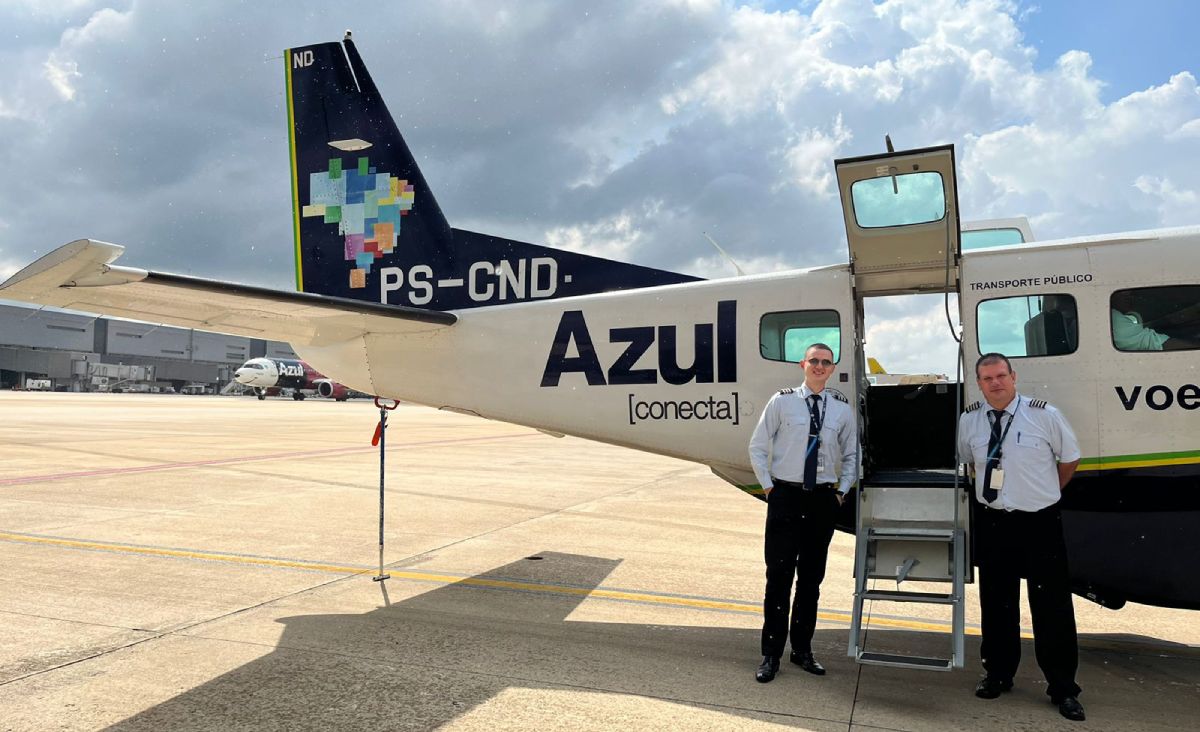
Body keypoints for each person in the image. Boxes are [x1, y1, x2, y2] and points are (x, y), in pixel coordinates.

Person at [958, 353, 1085, 722]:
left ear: (1013, 377)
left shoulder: (1044, 415)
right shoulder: (970, 421)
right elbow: (969, 461)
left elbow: (1070, 459)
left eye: (1001, 375)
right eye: (987, 378)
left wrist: (1045, 492)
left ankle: (1063, 688)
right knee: (996, 602)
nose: (995, 383)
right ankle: (998, 673)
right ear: (979, 384)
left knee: (1052, 606)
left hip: (1039, 522)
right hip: (994, 521)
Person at [748, 343, 857, 683]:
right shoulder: (782, 402)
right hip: (786, 496)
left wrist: (841, 491)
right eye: (814, 361)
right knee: (778, 578)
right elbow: (758, 446)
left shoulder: (841, 409)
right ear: (803, 365)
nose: (819, 366)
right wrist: (769, 488)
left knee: (811, 580)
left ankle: (802, 650)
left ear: (832, 367)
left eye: (826, 362)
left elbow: (852, 454)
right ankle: (770, 654)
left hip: (822, 499)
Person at [1110, 291, 1198, 351]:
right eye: (1124, 293)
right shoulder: (1115, 317)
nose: (1128, 295)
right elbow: (1153, 342)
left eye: (1131, 293)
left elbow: (1146, 327)